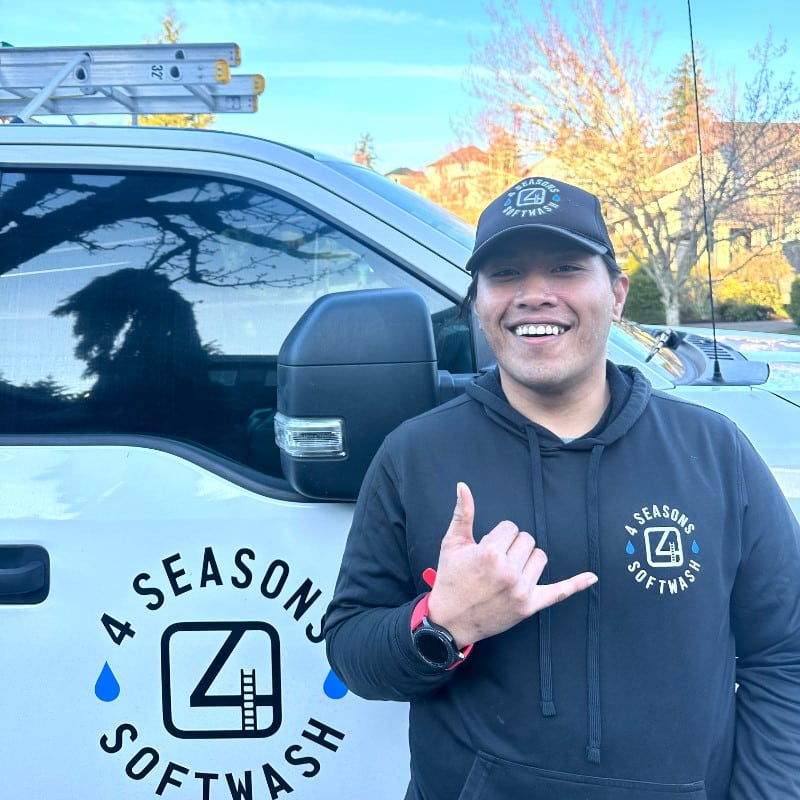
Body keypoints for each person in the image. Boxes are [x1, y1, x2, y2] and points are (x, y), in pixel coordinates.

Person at [324, 176, 800, 799]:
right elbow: (352, 650)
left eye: (567, 268)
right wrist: (441, 624)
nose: (534, 296)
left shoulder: (715, 452)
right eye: (506, 275)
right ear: (478, 301)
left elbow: (784, 656)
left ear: (618, 293)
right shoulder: (415, 455)